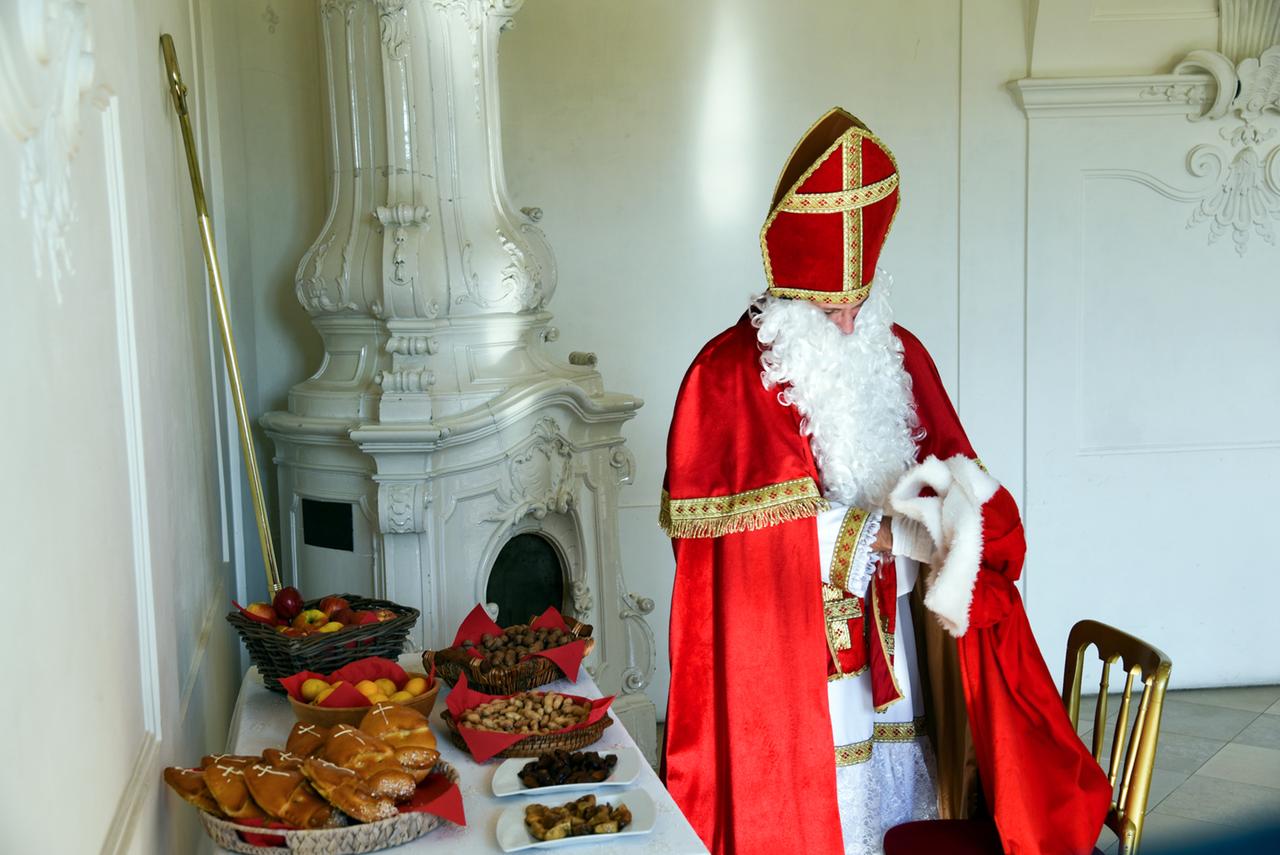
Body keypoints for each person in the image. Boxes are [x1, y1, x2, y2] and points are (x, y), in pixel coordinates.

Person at [659, 108, 1112, 855]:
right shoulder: (726, 376)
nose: (845, 322)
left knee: (900, 789)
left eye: (855, 303)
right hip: (794, 664)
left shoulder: (897, 355)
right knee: (826, 808)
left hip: (898, 638)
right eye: (828, 307)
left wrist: (952, 515)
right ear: (790, 293)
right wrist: (864, 531)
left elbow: (959, 477)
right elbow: (737, 569)